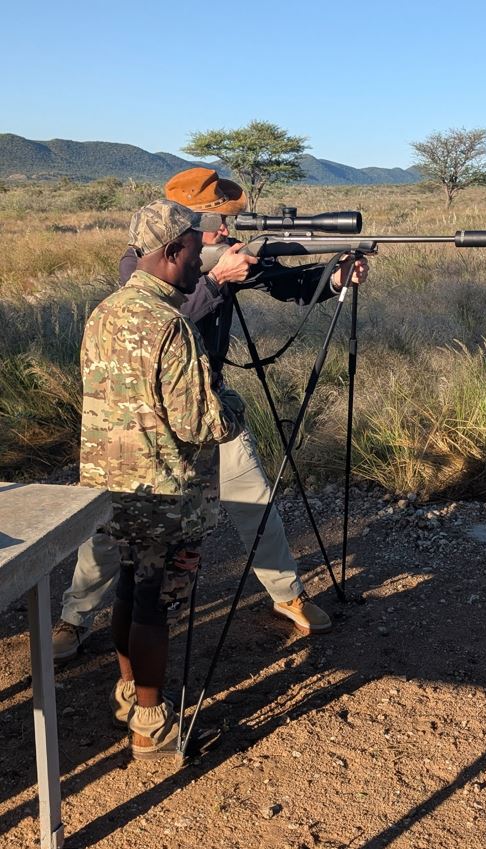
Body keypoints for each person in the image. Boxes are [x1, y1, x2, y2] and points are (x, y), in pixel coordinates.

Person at [53, 167, 368, 662]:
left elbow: (290, 285)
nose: (226, 232)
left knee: (254, 497)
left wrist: (335, 277)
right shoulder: (139, 266)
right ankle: (74, 617)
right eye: (215, 223)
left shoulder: (216, 255)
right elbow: (167, 322)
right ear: (180, 235)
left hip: (211, 401)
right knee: (111, 526)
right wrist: (217, 281)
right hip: (148, 426)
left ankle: (287, 594)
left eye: (227, 222)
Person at [80, 198, 245, 759]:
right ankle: (151, 725)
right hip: (162, 493)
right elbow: (202, 423)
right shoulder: (170, 325)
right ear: (172, 252)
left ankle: (129, 694)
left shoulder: (104, 311)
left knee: (129, 587)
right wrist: (233, 402)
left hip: (108, 489)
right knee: (153, 603)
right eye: (197, 252)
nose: (203, 261)